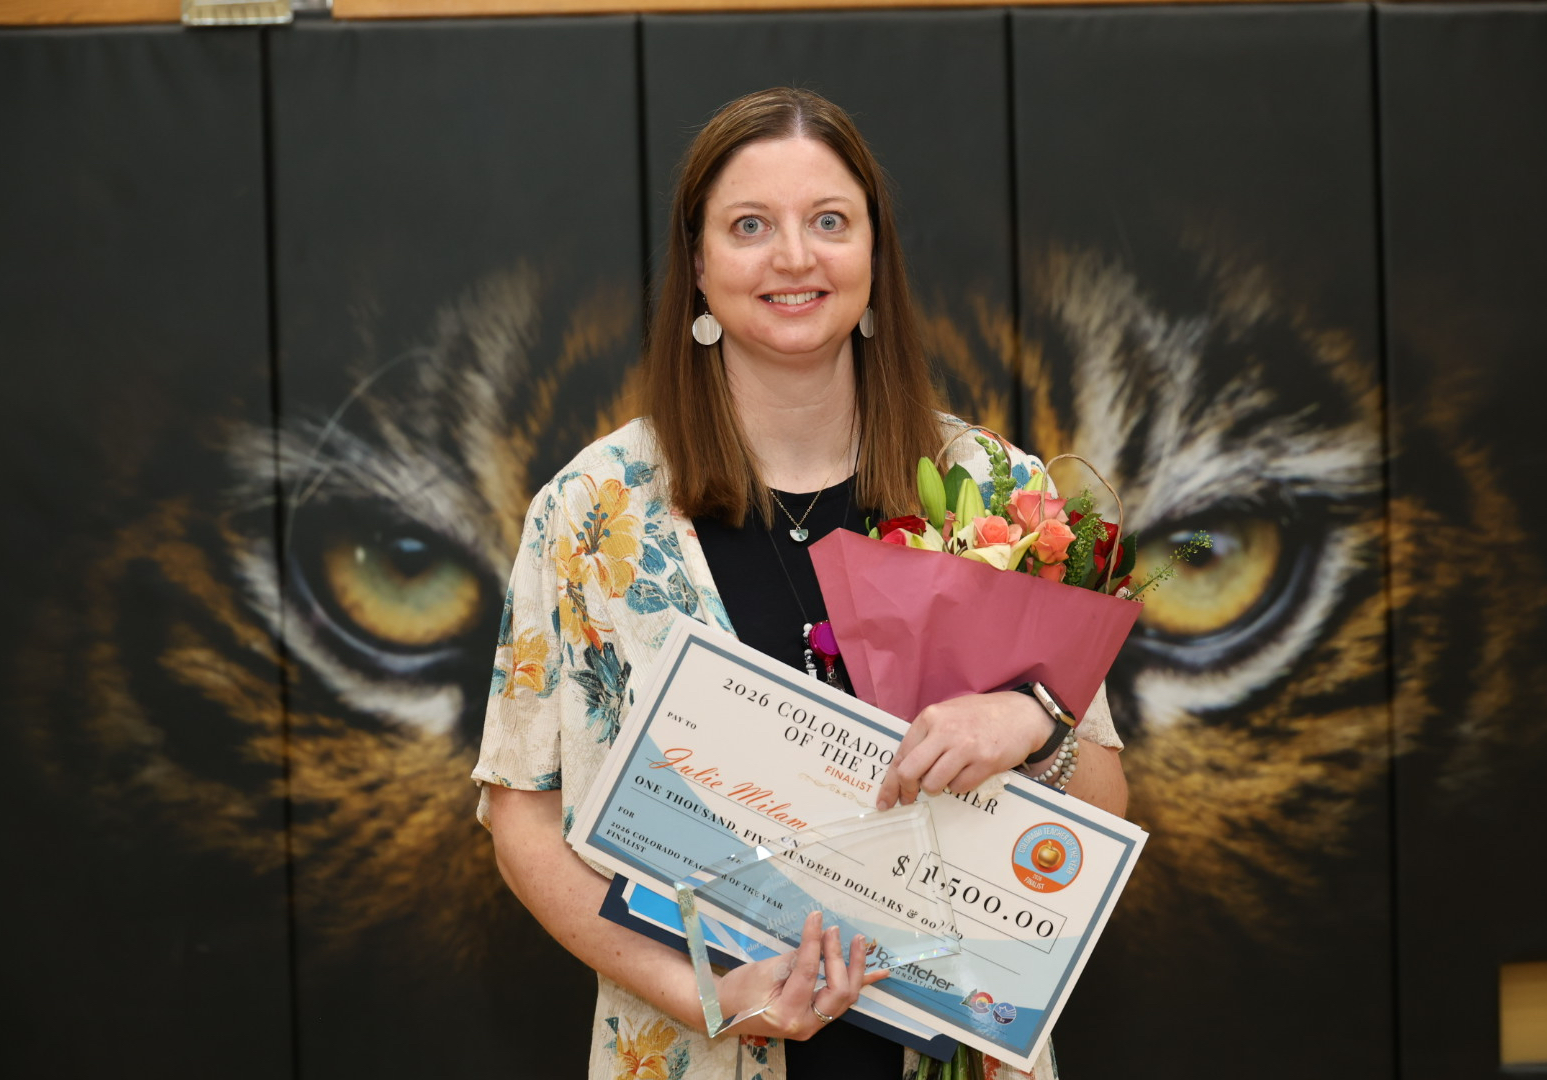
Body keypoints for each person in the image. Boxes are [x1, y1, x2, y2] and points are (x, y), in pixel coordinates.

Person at [473, 87, 1127, 1080]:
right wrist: (705, 995)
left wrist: (1034, 728)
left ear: (874, 254)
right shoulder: (592, 512)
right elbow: (519, 811)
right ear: (698, 265)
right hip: (698, 1049)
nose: (794, 257)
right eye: (749, 226)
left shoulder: (1000, 497)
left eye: (829, 221)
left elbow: (1105, 809)